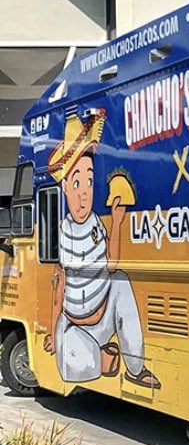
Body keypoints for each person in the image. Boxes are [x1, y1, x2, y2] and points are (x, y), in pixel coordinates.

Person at [44, 110, 160, 389]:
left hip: (104, 313)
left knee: (120, 279)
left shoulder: (97, 224)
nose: (85, 193)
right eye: (76, 183)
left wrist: (117, 222)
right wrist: (51, 330)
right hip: (75, 324)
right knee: (79, 368)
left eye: (90, 181)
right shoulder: (63, 233)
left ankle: (135, 366)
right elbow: (59, 285)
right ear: (65, 190)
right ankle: (101, 356)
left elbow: (111, 263)